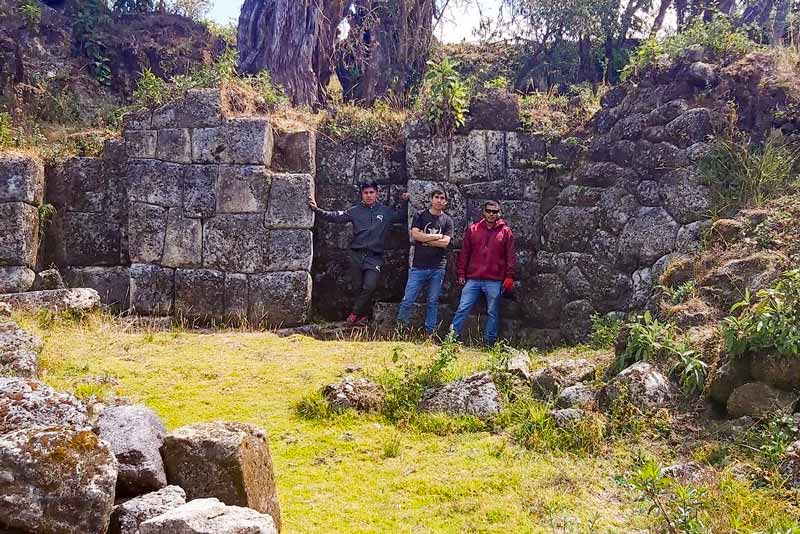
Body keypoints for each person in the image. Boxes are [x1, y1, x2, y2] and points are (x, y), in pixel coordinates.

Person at [309, 180, 410, 326]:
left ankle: (354, 315)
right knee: (357, 287)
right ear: (361, 194)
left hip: (374, 257)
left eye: (371, 192)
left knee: (369, 286)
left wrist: (405, 201)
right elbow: (336, 216)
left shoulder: (385, 211)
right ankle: (362, 317)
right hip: (356, 254)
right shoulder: (355, 211)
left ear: (377, 193)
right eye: (365, 193)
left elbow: (401, 216)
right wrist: (317, 210)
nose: (368, 195)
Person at [450, 200, 515, 346]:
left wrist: (509, 276)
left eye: (495, 211)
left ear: (499, 213)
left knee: (493, 312)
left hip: (494, 279)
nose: (491, 214)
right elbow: (465, 253)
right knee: (462, 308)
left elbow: (510, 255)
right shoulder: (473, 229)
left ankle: (489, 343)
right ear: (484, 212)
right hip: (473, 278)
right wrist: (461, 273)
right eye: (489, 211)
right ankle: (451, 339)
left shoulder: (505, 232)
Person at [396, 189, 454, 335]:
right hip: (418, 266)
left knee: (433, 302)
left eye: (442, 198)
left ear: (446, 202)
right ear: (431, 199)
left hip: (438, 267)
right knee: (408, 299)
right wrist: (436, 236)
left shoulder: (447, 220)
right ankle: (401, 330)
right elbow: (415, 235)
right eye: (436, 197)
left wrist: (425, 237)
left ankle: (430, 333)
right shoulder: (420, 215)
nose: (439, 200)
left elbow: (445, 243)